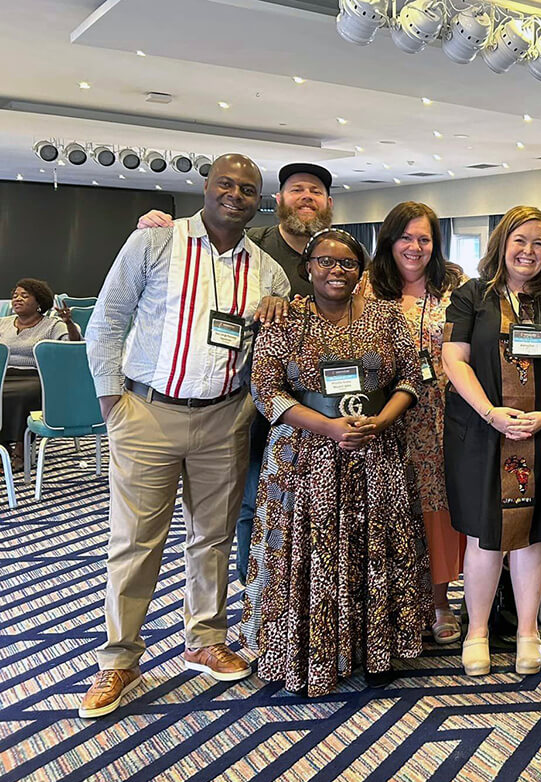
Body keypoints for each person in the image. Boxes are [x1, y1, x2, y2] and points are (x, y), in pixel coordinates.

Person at [80, 154, 292, 719]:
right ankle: (118, 659)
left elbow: (272, 350)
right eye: (226, 184)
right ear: (206, 187)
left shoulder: (269, 271)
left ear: (258, 200)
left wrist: (249, 404)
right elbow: (107, 320)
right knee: (135, 542)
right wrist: (111, 401)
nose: (236, 195)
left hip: (225, 418)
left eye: (248, 189)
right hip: (147, 411)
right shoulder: (154, 243)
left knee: (214, 537)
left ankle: (204, 637)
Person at [240, 228, 431, 696]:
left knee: (375, 549)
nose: (336, 271)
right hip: (305, 459)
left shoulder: (387, 316)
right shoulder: (286, 319)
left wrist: (380, 422)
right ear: (307, 267)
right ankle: (308, 652)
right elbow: (265, 388)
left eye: (347, 264)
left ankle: (378, 648)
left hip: (375, 452)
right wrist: (329, 428)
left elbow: (411, 375)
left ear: (360, 271)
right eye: (325, 261)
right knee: (310, 554)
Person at [138, 163, 333, 582]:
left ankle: (302, 595)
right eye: (297, 190)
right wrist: (156, 224)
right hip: (256, 404)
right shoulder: (255, 247)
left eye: (315, 192)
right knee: (251, 503)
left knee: (314, 506)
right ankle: (254, 595)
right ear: (277, 201)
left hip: (326, 409)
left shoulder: (342, 254)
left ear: (328, 204)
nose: (306, 198)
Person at [442, 205, 541, 677]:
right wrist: (491, 413)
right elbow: (454, 358)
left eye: (539, 243)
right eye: (520, 240)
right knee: (484, 540)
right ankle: (478, 632)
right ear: (502, 243)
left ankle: (528, 630)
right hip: (484, 434)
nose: (528, 251)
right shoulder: (472, 296)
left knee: (531, 538)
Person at [359, 201, 467, 645]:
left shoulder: (454, 285)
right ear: (389, 240)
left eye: (425, 239)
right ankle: (394, 603)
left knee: (437, 512)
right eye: (406, 237)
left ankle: (440, 602)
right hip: (386, 420)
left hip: (443, 418)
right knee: (390, 513)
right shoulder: (365, 288)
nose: (415, 247)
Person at [1, 279, 81, 462]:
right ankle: (3, 447)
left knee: (25, 394)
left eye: (24, 295)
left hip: (37, 376)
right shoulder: (3, 323)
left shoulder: (53, 325)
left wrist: (69, 324)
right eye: (15, 296)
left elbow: (74, 347)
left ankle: (22, 447)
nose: (17, 299)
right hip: (5, 374)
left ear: (39, 302)